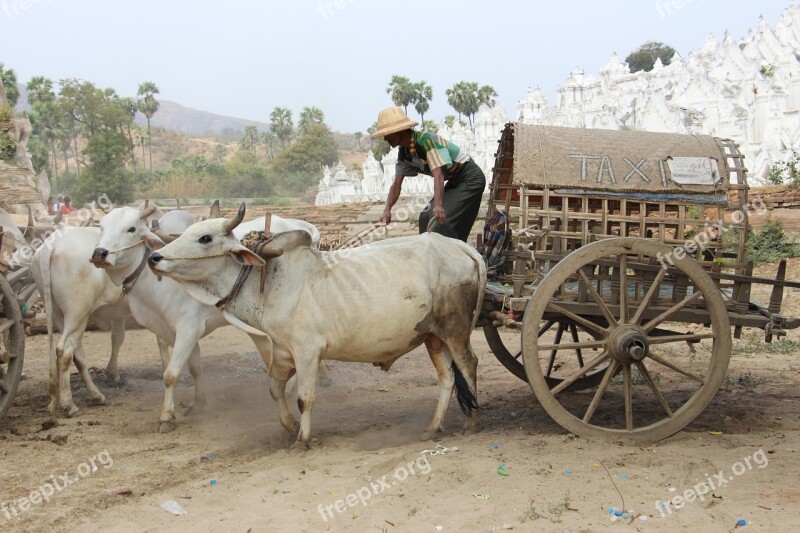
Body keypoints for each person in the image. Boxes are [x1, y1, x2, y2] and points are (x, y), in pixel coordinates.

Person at [373, 107, 486, 242]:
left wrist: (438, 205)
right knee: (425, 217)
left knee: (443, 222)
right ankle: (428, 255)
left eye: (388, 134)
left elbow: (438, 174)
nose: (385, 138)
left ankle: (448, 258)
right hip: (454, 181)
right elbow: (396, 185)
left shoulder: (426, 140)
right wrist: (387, 209)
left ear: (399, 131)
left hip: (470, 178)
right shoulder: (404, 153)